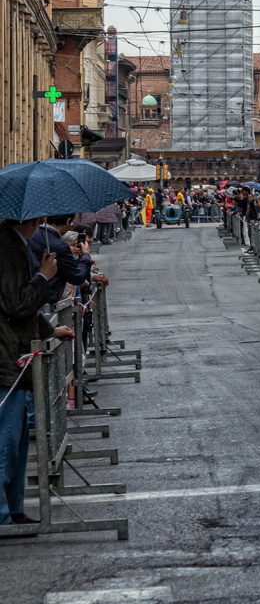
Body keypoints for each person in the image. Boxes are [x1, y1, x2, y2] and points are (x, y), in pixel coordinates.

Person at [0, 216, 74, 527]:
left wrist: (49, 330)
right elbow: (17, 304)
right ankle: (4, 513)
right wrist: (44, 277)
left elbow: (20, 309)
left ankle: (13, 509)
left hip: (13, 356)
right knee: (6, 444)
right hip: (7, 360)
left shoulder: (15, 247)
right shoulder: (7, 250)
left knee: (15, 444)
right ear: (32, 220)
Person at [26, 214, 107, 306]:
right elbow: (77, 276)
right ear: (68, 221)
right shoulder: (60, 246)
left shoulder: (31, 236)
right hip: (47, 299)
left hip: (31, 294)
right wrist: (85, 255)